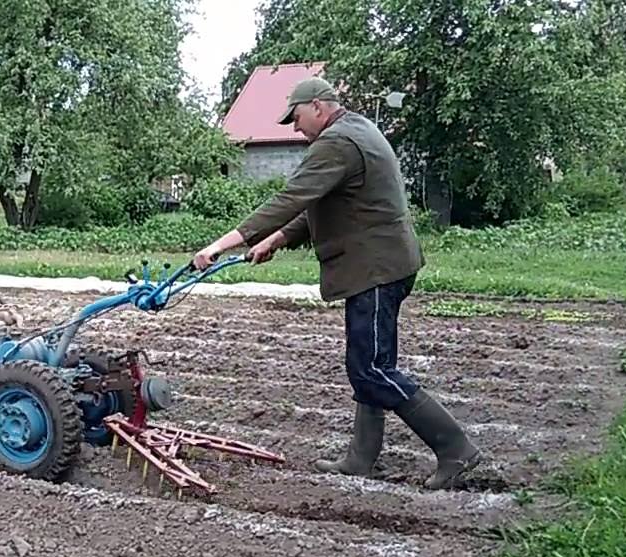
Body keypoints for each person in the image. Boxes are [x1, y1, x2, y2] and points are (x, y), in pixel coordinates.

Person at [193, 76, 481, 490]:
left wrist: (221, 244)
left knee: (370, 369)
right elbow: (319, 204)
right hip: (383, 264)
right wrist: (276, 239)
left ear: (318, 107)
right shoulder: (358, 128)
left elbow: (290, 198)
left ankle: (456, 449)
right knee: (371, 365)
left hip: (376, 269)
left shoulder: (336, 142)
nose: (294, 127)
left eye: (295, 117)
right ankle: (361, 459)